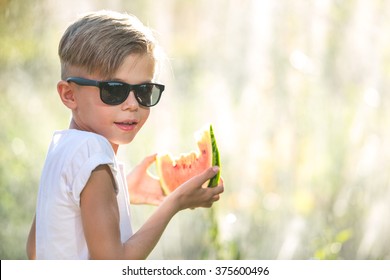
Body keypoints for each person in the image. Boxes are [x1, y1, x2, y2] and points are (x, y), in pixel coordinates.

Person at [26, 10, 224, 260]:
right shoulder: (93, 153)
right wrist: (173, 203)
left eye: (144, 90)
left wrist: (122, 190)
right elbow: (113, 266)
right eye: (114, 90)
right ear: (69, 95)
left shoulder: (61, 148)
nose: (132, 104)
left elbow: (35, 248)